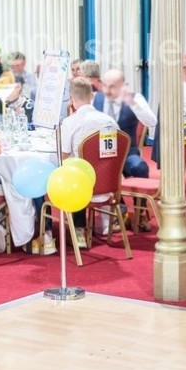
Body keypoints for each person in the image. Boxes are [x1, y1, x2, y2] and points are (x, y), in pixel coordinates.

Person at [60, 77, 118, 249]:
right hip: (108, 185)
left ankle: (75, 230)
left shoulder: (70, 122)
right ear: (92, 96)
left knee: (69, 170)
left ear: (71, 98)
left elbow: (63, 157)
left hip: (82, 189)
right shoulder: (109, 121)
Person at [93, 69, 157, 179]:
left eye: (112, 86)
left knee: (140, 167)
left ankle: (140, 196)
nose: (107, 90)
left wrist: (132, 103)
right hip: (100, 154)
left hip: (127, 153)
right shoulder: (94, 98)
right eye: (105, 85)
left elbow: (152, 122)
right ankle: (114, 196)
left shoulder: (135, 98)